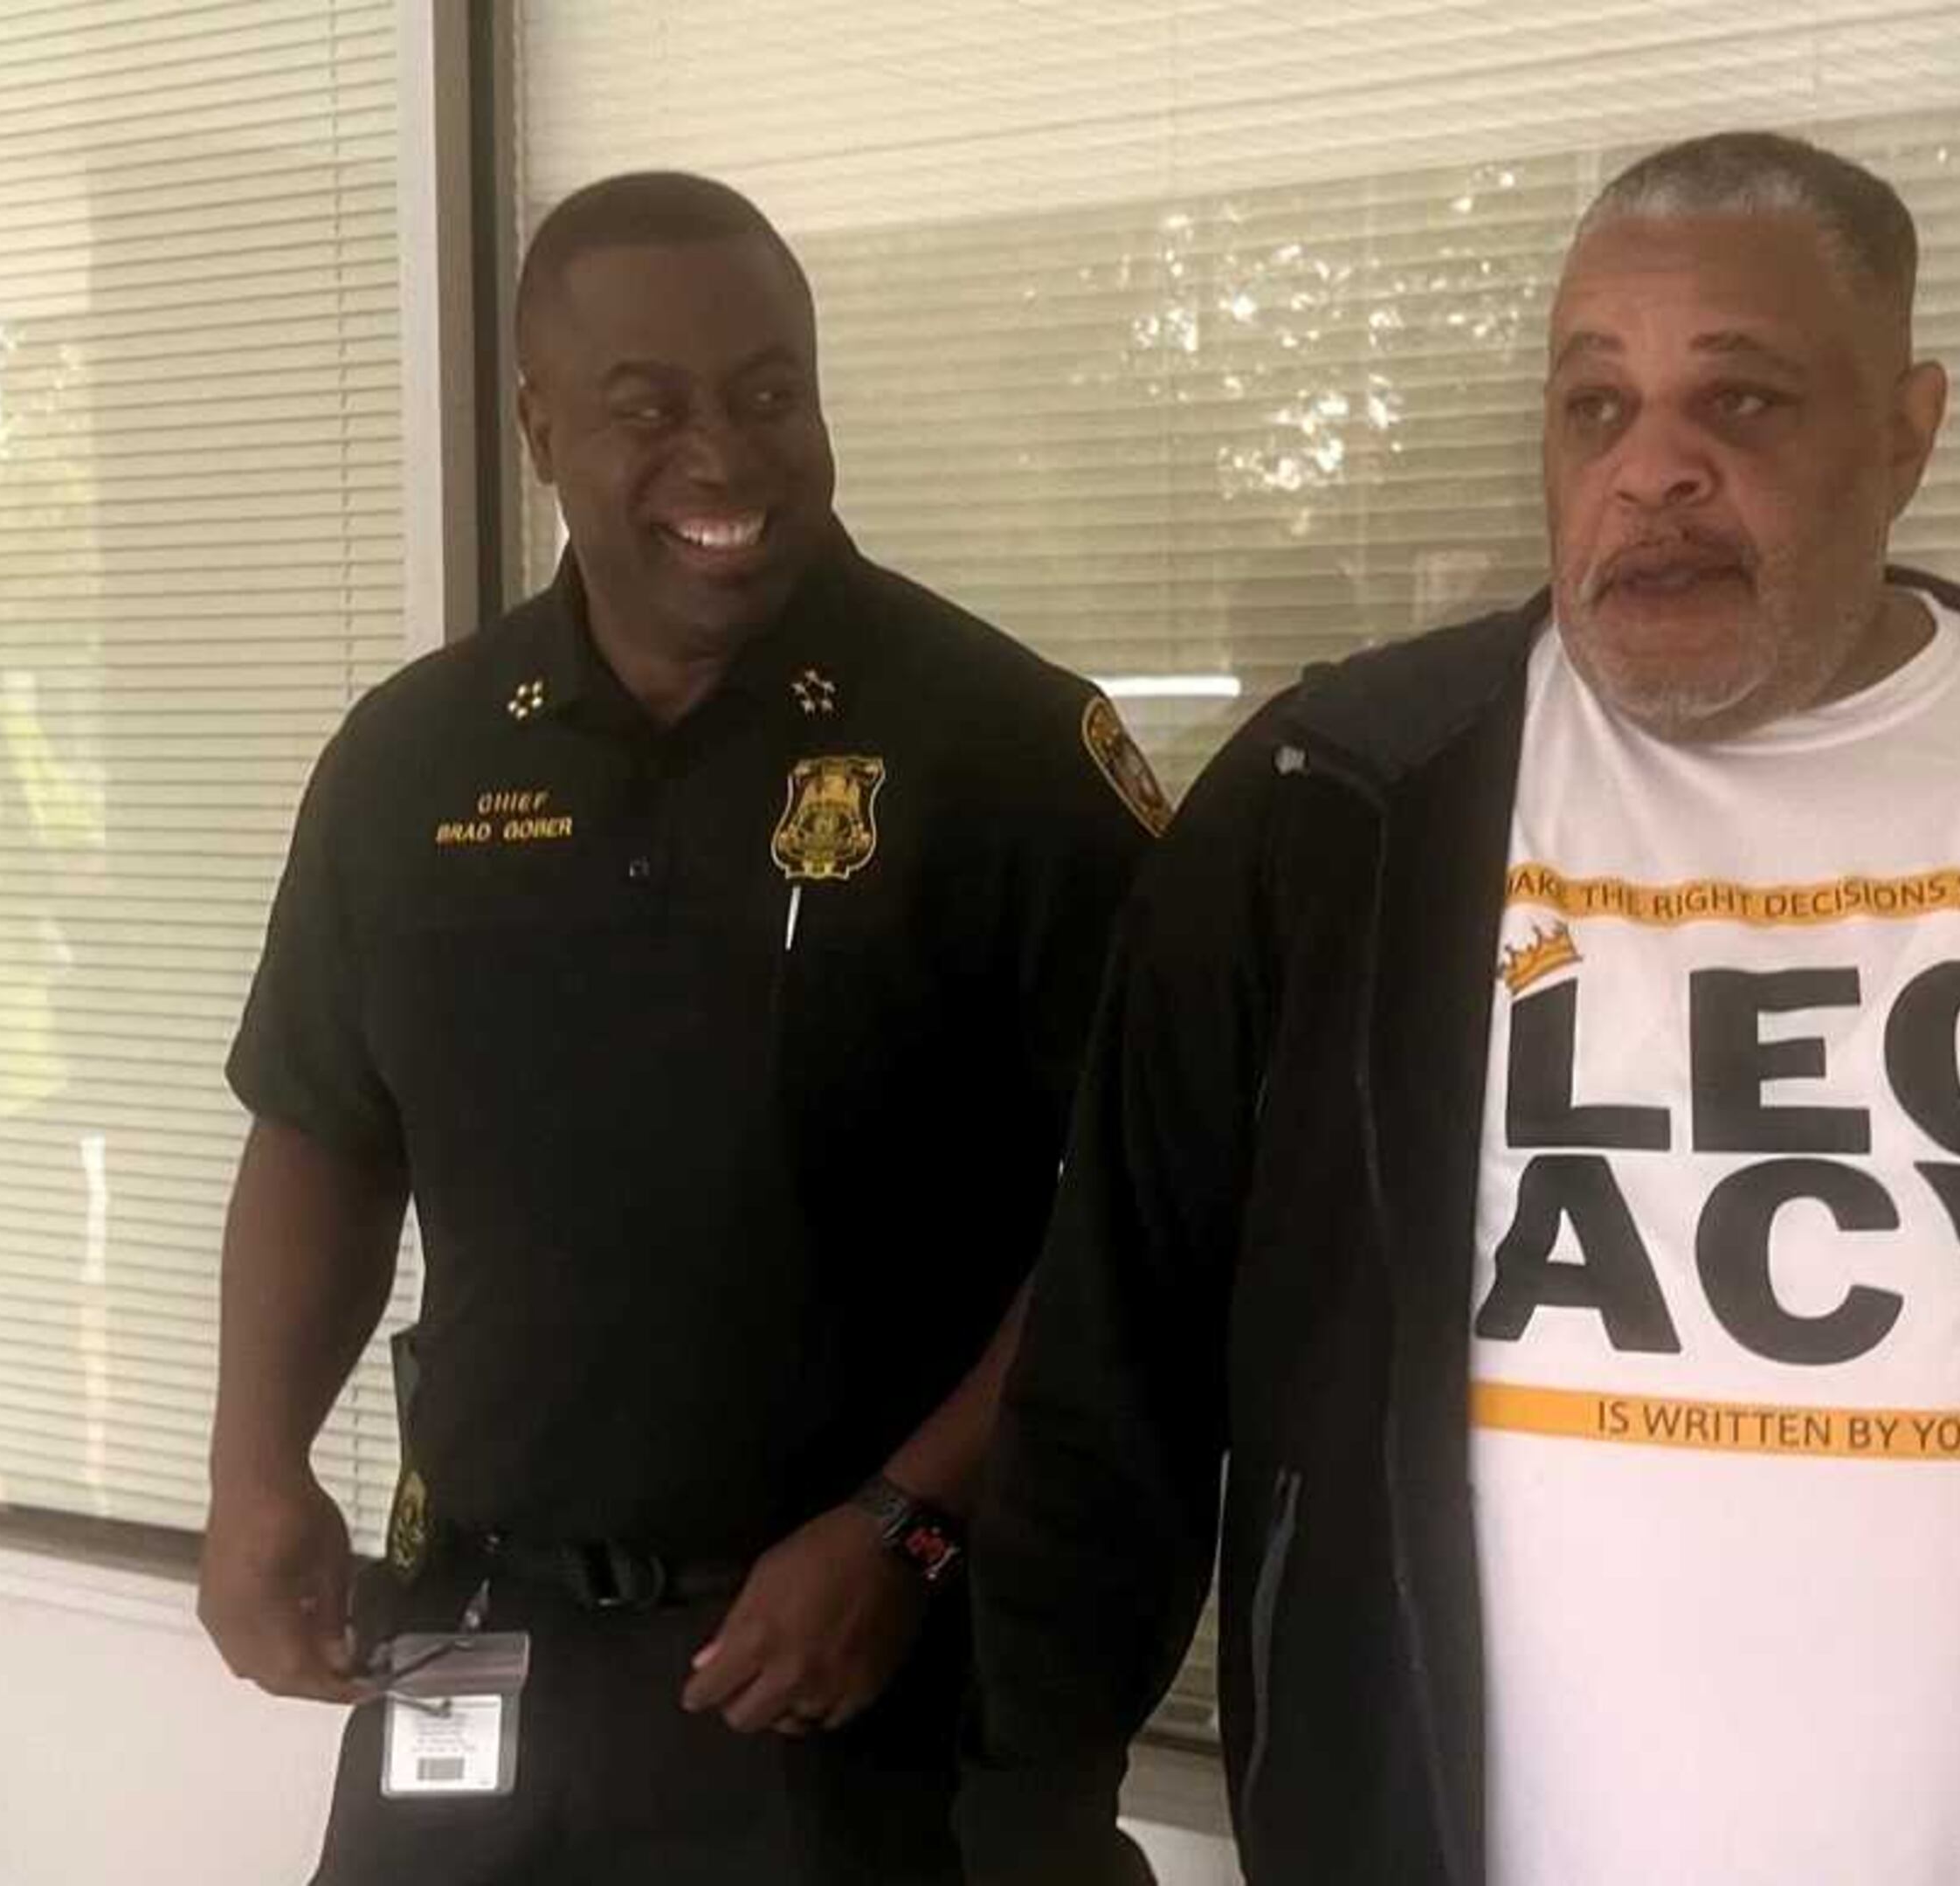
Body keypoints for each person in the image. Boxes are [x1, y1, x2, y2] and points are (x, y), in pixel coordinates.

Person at [958, 131, 1960, 1886]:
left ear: (1906, 431)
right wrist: (1035, 1821)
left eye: (1739, 404)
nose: (1653, 470)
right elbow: (1110, 1373)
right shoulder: (1335, 811)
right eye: (1596, 407)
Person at [197, 170, 1162, 1884]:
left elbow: (1149, 1219)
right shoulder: (411, 760)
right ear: (536, 421)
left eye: (770, 393)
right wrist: (254, 1466)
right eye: (650, 408)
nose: (725, 456)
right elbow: (325, 1127)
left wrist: (907, 1526)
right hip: (473, 1636)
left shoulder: (1006, 754)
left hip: (856, 1676)